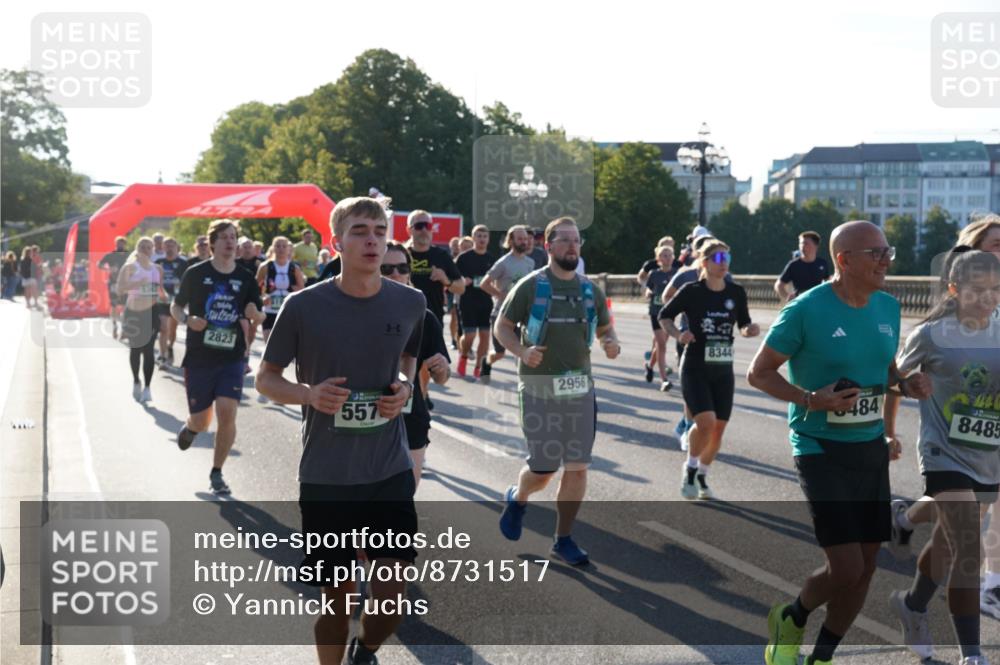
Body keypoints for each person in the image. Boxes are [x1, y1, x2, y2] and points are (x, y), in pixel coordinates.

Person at [747, 220, 931, 665]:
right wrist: (810, 398)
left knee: (867, 567)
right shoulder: (805, 310)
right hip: (819, 446)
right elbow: (759, 372)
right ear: (844, 259)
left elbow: (884, 367)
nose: (886, 260)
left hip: (868, 446)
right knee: (846, 566)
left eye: (888, 252)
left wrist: (904, 383)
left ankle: (822, 656)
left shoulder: (887, 307)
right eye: (876, 254)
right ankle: (792, 617)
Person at [256, 196, 424, 665]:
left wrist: (405, 385)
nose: (371, 239)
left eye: (379, 230)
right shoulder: (304, 306)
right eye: (359, 230)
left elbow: (409, 355)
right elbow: (265, 378)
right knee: (338, 597)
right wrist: (308, 394)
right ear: (337, 242)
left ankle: (365, 649)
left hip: (387, 468)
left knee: (392, 596)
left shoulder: (410, 301)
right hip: (327, 476)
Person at [884, 249, 1000, 664]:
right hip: (942, 453)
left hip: (988, 454)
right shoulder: (932, 334)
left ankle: (913, 603)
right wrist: (908, 385)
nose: (988, 299)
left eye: (995, 291)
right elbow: (890, 378)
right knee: (969, 547)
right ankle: (972, 654)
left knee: (949, 545)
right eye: (977, 291)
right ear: (954, 289)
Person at [495, 216, 620, 566]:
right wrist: (522, 352)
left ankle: (562, 538)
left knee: (577, 467)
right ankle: (519, 497)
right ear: (547, 246)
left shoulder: (590, 289)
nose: (571, 246)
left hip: (580, 390)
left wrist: (610, 343)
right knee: (544, 469)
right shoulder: (531, 286)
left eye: (576, 240)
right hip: (538, 389)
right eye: (563, 240)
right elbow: (502, 327)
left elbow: (606, 329)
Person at [171, 219, 265, 495]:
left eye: (233, 237)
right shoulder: (196, 273)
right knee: (202, 420)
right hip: (200, 356)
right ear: (212, 243)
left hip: (231, 357)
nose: (230, 242)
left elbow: (258, 314)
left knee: (227, 411)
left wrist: (253, 313)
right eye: (223, 237)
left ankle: (217, 472)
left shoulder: (246, 277)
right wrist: (189, 319)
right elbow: (176, 308)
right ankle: (191, 427)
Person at [659, 240, 758, 499]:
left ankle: (702, 474)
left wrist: (749, 330)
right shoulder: (692, 291)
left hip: (723, 367)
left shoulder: (736, 293)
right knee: (705, 421)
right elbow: (665, 316)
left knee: (719, 428)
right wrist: (679, 334)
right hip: (695, 365)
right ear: (704, 262)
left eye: (727, 257)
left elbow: (744, 323)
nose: (723, 262)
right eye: (717, 258)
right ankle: (690, 468)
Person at [380, 241, 450, 487]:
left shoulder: (424, 317)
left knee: (402, 501)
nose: (396, 274)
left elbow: (442, 377)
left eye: (402, 268)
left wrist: (442, 368)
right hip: (365, 419)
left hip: (411, 417)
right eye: (386, 269)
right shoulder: (353, 314)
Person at [661, 234, 733, 446]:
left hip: (717, 342)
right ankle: (688, 425)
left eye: (724, 257)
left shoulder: (727, 278)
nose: (722, 261)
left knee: (710, 392)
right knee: (693, 389)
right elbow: (667, 297)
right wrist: (684, 313)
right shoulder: (685, 276)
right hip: (690, 339)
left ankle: (690, 425)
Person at [406, 210, 464, 405]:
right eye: (419, 226)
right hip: (403, 316)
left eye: (427, 226)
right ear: (409, 230)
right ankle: (417, 397)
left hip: (432, 317)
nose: (424, 230)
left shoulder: (441, 255)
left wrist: (445, 279)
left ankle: (421, 395)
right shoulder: (401, 254)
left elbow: (461, 286)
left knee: (426, 362)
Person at [479, 224, 536, 382]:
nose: (524, 242)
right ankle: (486, 361)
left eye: (525, 238)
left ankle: (526, 383)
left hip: (523, 315)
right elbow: (484, 283)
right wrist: (501, 295)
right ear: (511, 241)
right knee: (499, 353)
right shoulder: (503, 263)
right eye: (520, 239)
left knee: (522, 350)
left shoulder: (530, 263)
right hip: (502, 314)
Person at [117, 237, 164, 403]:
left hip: (151, 312)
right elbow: (119, 289)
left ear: (153, 250)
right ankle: (136, 380)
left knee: (149, 350)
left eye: (148, 247)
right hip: (134, 312)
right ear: (137, 249)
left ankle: (148, 388)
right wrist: (136, 283)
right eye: (142, 247)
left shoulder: (157, 268)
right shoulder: (129, 267)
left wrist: (164, 297)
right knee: (136, 349)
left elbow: (159, 290)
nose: (145, 249)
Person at [454, 224, 496, 379]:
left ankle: (479, 366)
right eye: (479, 236)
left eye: (485, 236)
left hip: (486, 301)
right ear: (473, 238)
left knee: (485, 335)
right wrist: (463, 280)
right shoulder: (464, 258)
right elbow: (454, 277)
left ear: (488, 239)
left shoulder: (492, 259)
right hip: (467, 300)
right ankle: (463, 356)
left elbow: (497, 280)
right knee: (470, 335)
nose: (482, 239)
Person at [255, 235, 305, 345]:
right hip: (269, 311)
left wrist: (292, 289)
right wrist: (262, 298)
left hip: (288, 311)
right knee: (270, 345)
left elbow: (302, 290)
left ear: (289, 249)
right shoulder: (266, 266)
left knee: (284, 347)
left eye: (284, 246)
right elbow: (254, 288)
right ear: (273, 248)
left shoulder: (294, 268)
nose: (281, 249)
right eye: (278, 246)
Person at [644, 245, 678, 391]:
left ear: (673, 257)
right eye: (664, 255)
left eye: (669, 255)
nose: (667, 257)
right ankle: (664, 380)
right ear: (658, 259)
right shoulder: (654, 274)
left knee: (660, 345)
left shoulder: (677, 274)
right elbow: (648, 288)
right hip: (656, 313)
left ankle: (650, 365)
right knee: (662, 345)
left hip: (670, 314)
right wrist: (648, 293)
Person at [155, 238, 188, 367]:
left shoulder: (183, 263)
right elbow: (153, 280)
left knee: (172, 330)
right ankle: (162, 356)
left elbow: (188, 283)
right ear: (162, 248)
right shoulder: (158, 263)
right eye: (166, 245)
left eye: (172, 245)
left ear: (176, 247)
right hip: (162, 300)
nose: (169, 248)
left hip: (177, 301)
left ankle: (170, 346)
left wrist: (186, 299)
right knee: (163, 328)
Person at [775, 231, 830, 302]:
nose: (802, 246)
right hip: (800, 303)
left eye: (805, 243)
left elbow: (828, 283)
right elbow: (778, 285)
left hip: (817, 303)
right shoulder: (793, 265)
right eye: (800, 243)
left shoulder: (822, 263)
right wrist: (787, 297)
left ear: (816, 246)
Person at [100, 236, 130, 337]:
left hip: (126, 283)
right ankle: (114, 326)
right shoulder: (110, 255)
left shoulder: (129, 255)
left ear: (125, 244)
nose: (120, 245)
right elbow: (99, 264)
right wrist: (108, 269)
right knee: (114, 305)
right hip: (113, 282)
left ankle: (124, 327)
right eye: (118, 243)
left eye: (122, 243)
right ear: (115, 244)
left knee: (126, 305)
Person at [447, 237, 463, 349]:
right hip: (449, 290)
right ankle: (453, 339)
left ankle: (460, 339)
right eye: (454, 245)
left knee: (460, 317)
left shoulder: (464, 258)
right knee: (453, 315)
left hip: (462, 289)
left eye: (458, 245)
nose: (456, 247)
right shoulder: (447, 258)